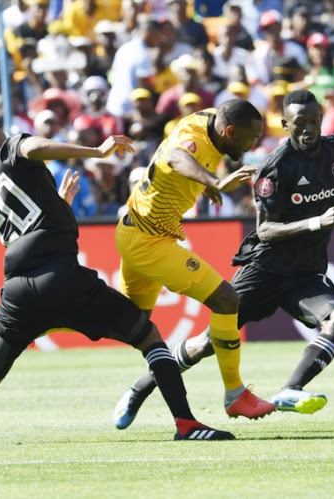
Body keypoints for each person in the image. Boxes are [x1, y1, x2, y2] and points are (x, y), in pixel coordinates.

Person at [0, 123, 236, 445]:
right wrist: (96, 152)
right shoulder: (10, 149)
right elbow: (32, 149)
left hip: (17, 290)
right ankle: (186, 423)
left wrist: (60, 205)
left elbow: (26, 226)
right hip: (61, 277)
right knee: (150, 337)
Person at [112, 90, 334, 430]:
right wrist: (318, 221)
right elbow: (266, 230)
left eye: (315, 121)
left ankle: (290, 390)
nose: (309, 129)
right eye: (301, 123)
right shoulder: (274, 167)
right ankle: (141, 388)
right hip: (265, 269)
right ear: (285, 125)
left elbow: (223, 120)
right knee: (208, 341)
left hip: (307, 271)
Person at [114, 99, 276, 425]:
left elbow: (185, 159)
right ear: (230, 131)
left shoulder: (209, 122)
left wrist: (203, 183)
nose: (254, 144)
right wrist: (214, 182)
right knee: (227, 300)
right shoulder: (196, 137)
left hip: (135, 232)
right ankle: (235, 394)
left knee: (134, 329)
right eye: (251, 138)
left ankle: (138, 389)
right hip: (150, 242)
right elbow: (176, 156)